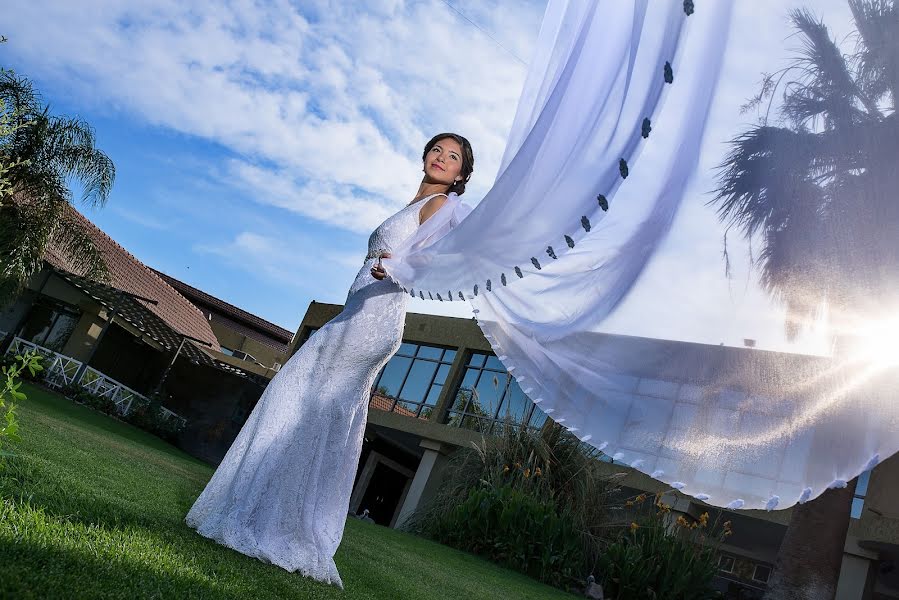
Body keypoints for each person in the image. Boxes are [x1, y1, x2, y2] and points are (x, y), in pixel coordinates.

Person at [185, 133, 474, 588]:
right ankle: (273, 517)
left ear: (460, 174)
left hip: (374, 320)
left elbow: (437, 264)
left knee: (303, 401)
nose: (442, 158)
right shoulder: (413, 202)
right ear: (424, 157)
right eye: (437, 150)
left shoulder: (442, 206)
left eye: (453, 157)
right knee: (310, 411)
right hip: (356, 311)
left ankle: (286, 527)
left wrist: (397, 269)